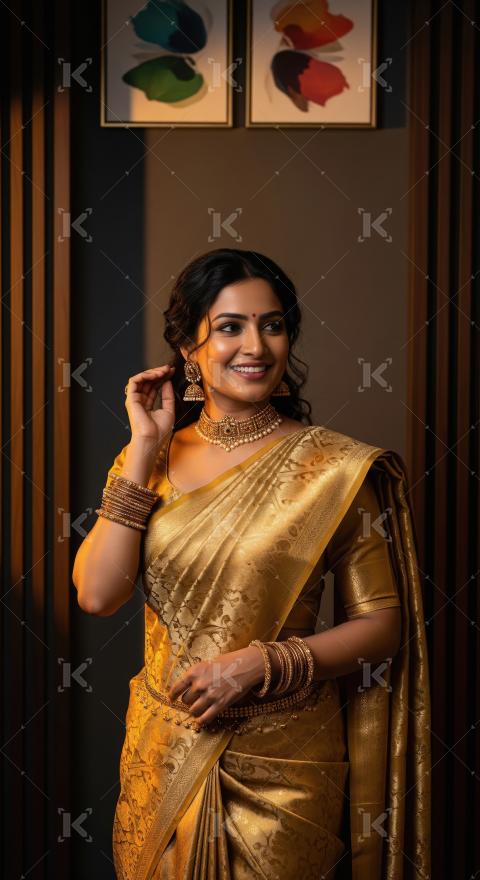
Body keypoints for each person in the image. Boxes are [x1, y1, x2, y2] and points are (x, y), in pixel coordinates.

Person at [72, 248, 431, 879]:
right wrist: (142, 447)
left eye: (273, 324)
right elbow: (98, 595)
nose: (256, 346)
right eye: (231, 326)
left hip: (284, 767)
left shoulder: (336, 470)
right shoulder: (150, 458)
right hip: (165, 754)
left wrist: (262, 664)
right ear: (188, 346)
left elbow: (385, 627)